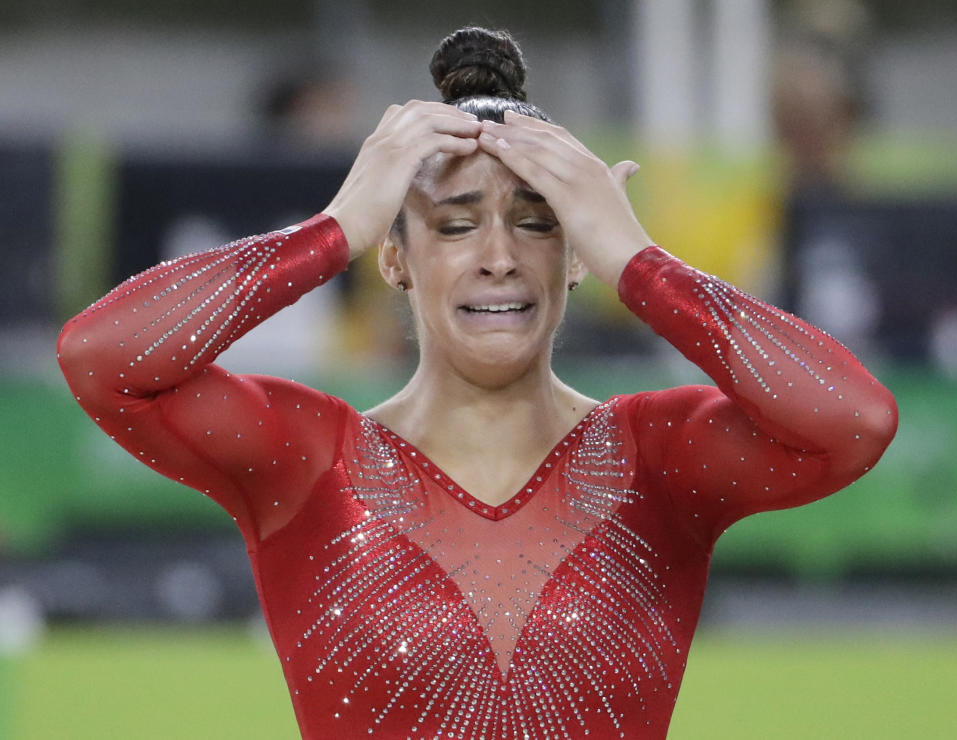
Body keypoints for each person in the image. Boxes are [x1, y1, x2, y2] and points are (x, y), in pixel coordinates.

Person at [57, 27, 897, 740]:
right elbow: (100, 359)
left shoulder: (658, 459)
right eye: (455, 224)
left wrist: (637, 262)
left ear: (573, 259)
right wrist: (334, 227)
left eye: (539, 223)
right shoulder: (306, 459)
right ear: (395, 257)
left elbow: (854, 420)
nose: (499, 254)